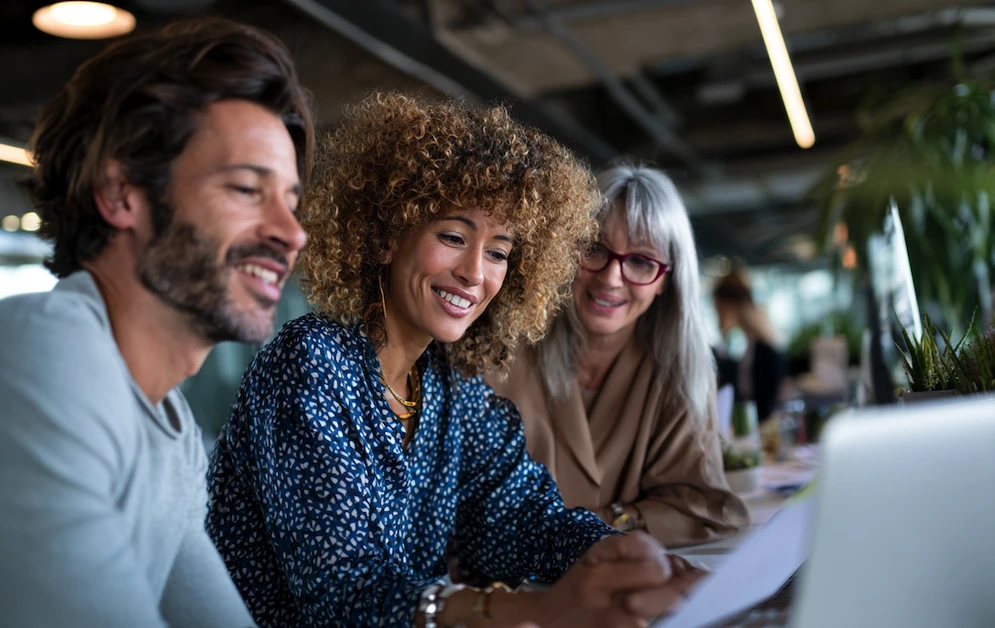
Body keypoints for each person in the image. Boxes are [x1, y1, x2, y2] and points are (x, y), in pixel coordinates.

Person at [207, 93, 702, 628]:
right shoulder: (311, 363)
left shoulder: (449, 384)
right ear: (387, 238)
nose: (474, 273)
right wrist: (533, 609)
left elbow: (523, 520)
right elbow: (342, 598)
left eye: (497, 252)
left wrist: (637, 563)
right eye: (452, 236)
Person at [0, 18, 313, 627]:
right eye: (249, 189)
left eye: (292, 201)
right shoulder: (45, 351)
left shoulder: (171, 434)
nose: (292, 233)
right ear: (121, 195)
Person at [487, 163, 748, 548]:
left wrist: (598, 524)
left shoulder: (679, 371)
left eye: (641, 261)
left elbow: (705, 510)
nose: (611, 277)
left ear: (666, 282)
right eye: (593, 247)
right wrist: (633, 520)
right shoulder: (502, 348)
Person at [712, 268, 787, 422]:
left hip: (763, 428)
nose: (718, 318)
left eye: (719, 311)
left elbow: (767, 402)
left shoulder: (764, 348)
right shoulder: (754, 342)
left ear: (729, 306)